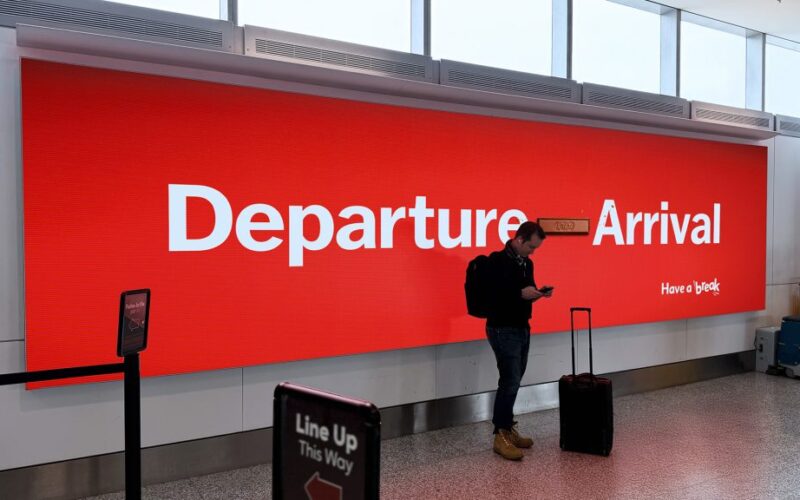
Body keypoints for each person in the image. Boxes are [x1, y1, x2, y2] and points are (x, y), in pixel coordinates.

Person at [485, 221, 552, 460]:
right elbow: (492, 295)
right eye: (531, 247)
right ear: (520, 239)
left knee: (515, 379)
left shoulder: (527, 263)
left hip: (522, 326)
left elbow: (524, 294)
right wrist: (519, 294)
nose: (533, 252)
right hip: (502, 328)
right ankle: (500, 435)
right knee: (509, 380)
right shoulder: (496, 261)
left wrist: (538, 294)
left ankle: (507, 428)